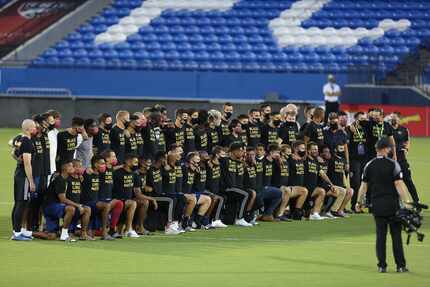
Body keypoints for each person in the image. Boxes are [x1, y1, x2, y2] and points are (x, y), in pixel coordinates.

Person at [356, 137, 411, 273]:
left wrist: (359, 202)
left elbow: (363, 186)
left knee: (381, 237)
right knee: (396, 236)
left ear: (377, 149)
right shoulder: (393, 164)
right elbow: (399, 184)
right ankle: (400, 266)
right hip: (393, 205)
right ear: (386, 149)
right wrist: (407, 202)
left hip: (377, 205)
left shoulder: (369, 165)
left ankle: (382, 266)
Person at [43, 160, 88, 241]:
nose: (73, 168)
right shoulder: (60, 180)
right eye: (71, 166)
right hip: (50, 206)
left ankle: (29, 233)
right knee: (71, 209)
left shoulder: (66, 179)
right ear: (65, 168)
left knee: (51, 236)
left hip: (56, 206)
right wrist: (78, 205)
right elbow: (63, 199)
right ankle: (64, 234)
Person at [11, 119, 37, 241]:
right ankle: (17, 233)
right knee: (21, 203)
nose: (35, 128)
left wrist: (17, 159)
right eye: (33, 127)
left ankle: (17, 231)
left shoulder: (19, 139)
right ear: (28, 129)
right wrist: (31, 181)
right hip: (24, 175)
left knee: (18, 202)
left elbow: (12, 152)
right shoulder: (27, 142)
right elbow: (27, 164)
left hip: (18, 173)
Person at [220, 142, 253, 227]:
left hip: (236, 189)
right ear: (234, 151)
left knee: (229, 221)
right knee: (246, 194)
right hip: (227, 188)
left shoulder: (240, 163)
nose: (243, 153)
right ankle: (240, 218)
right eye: (241, 150)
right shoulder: (224, 160)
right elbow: (213, 158)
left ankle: (248, 217)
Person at [391, 112, 419, 203]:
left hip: (402, 159)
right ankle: (396, 203)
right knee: (392, 182)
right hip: (390, 159)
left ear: (399, 119)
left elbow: (407, 141)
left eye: (395, 118)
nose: (393, 119)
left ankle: (416, 201)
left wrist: (406, 148)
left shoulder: (404, 130)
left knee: (408, 180)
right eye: (392, 117)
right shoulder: (387, 129)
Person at [112, 153, 140, 238]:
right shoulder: (117, 173)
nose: (136, 165)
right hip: (116, 199)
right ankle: (129, 229)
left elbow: (137, 191)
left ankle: (121, 231)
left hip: (127, 200)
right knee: (133, 203)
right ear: (128, 162)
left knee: (135, 202)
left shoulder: (134, 174)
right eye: (135, 162)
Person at [346, 112, 368, 212]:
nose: (363, 121)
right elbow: (346, 143)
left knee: (364, 183)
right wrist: (350, 131)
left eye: (364, 119)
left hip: (364, 159)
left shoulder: (366, 129)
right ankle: (354, 205)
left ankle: (360, 206)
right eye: (361, 119)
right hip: (354, 159)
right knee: (355, 183)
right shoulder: (349, 129)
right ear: (355, 119)